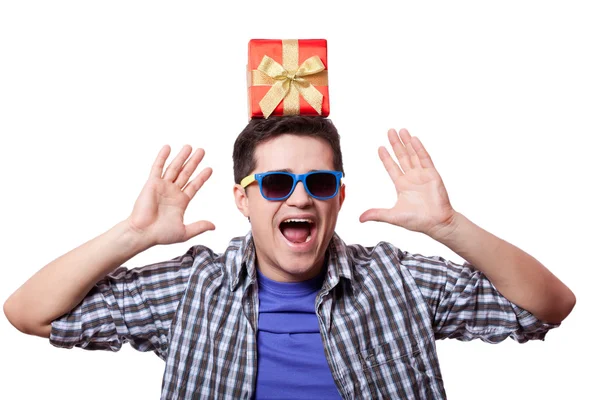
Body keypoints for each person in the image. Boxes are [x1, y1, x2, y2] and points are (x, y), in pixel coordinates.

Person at [4, 116, 575, 399]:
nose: (300, 197)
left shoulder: (399, 279)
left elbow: (551, 306)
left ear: (339, 196)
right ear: (244, 200)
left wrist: (450, 227)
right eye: (276, 182)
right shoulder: (192, 288)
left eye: (319, 181)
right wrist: (133, 234)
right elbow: (30, 312)